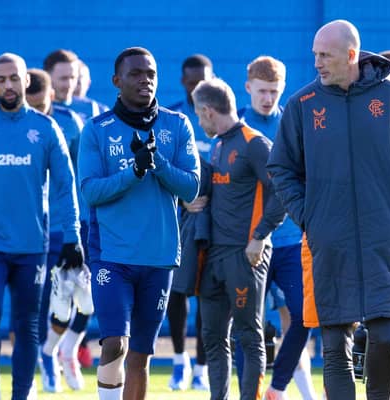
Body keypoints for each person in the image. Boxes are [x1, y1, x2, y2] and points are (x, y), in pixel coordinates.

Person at [267, 20, 390, 400]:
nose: (317, 63)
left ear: (350, 55)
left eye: (324, 55)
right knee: (334, 343)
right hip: (328, 240)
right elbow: (280, 168)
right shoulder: (301, 105)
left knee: (386, 336)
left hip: (385, 237)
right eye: (314, 55)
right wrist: (307, 214)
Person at [78, 46, 200, 400]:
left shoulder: (177, 125)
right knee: (115, 341)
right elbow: (90, 192)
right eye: (135, 73)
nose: (145, 80)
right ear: (116, 81)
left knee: (141, 355)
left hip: (159, 256)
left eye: (151, 73)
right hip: (112, 255)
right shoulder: (96, 129)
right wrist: (134, 172)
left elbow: (192, 187)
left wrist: (157, 163)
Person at [0, 53, 84, 400]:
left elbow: (65, 185)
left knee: (27, 327)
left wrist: (72, 238)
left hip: (32, 247)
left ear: (27, 81)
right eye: (1, 79)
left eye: (14, 78)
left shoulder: (45, 129)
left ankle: (21, 396)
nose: (8, 85)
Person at [192, 77, 285, 400]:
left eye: (199, 115)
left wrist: (260, 236)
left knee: (249, 335)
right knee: (212, 337)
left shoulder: (254, 143)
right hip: (213, 258)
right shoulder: (219, 145)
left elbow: (283, 193)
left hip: (245, 257)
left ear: (207, 111)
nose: (199, 121)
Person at [238, 55, 315, 400]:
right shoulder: (236, 129)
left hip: (289, 241)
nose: (268, 98)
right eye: (262, 91)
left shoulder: (294, 126)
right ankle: (245, 393)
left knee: (304, 316)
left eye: (274, 91)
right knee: (245, 324)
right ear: (248, 88)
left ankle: (278, 387)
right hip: (248, 244)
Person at [26, 68, 92, 392]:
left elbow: (83, 176)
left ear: (52, 95)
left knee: (87, 295)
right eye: (31, 105)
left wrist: (83, 223)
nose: (37, 112)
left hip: (70, 223)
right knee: (39, 299)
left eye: (42, 104)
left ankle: (67, 348)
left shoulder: (71, 123)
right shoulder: (16, 125)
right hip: (34, 225)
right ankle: (47, 358)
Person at [166, 53, 215, 391]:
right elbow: (163, 167)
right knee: (177, 291)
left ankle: (202, 367)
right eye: (192, 80)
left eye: (204, 79)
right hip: (180, 215)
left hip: (214, 216)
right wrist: (183, 196)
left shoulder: (224, 115)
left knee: (209, 292)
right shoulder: (173, 118)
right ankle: (179, 361)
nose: (197, 85)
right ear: (183, 81)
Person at [168, 54, 216, 160]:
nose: (197, 89)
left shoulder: (225, 116)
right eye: (192, 83)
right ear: (183, 81)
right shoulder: (170, 117)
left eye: (203, 83)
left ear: (213, 79)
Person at [43, 49, 104, 123]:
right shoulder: (37, 106)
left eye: (73, 78)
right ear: (47, 77)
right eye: (63, 78)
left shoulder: (89, 108)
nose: (69, 85)